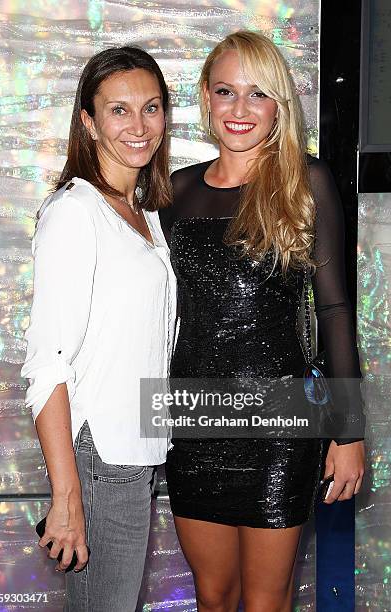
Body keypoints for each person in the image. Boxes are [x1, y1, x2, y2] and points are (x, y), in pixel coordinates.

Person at [159, 30, 365, 612]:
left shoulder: (307, 180)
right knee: (213, 596)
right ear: (205, 98)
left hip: (281, 422)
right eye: (226, 92)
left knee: (266, 601)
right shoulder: (175, 192)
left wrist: (348, 432)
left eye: (258, 94)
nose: (240, 110)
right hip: (194, 418)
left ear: (279, 104)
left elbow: (333, 310)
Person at [21, 46, 176, 612]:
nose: (139, 126)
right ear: (88, 121)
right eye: (118, 110)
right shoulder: (74, 212)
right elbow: (47, 364)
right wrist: (66, 497)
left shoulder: (143, 213)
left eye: (151, 108)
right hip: (98, 455)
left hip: (137, 450)